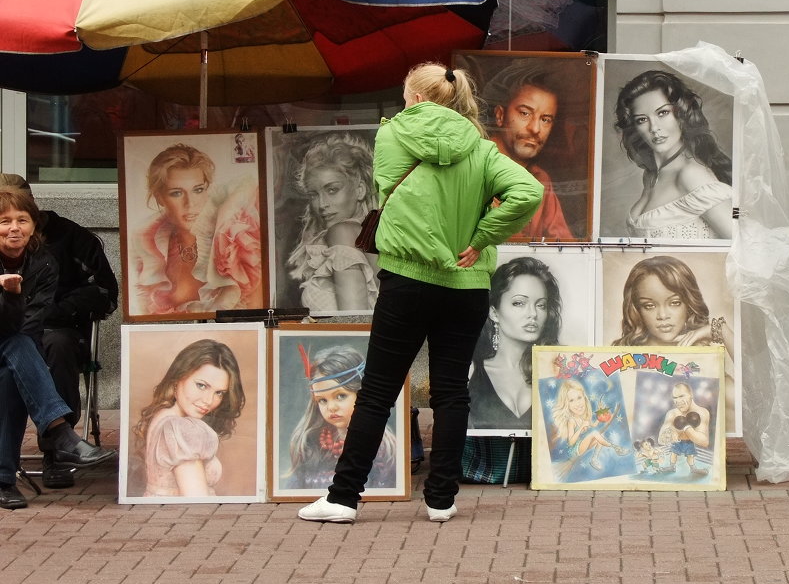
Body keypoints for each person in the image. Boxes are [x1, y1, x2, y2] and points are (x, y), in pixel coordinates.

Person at [298, 62, 542, 525]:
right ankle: (441, 499)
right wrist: (483, 237)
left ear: (412, 96)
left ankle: (344, 498)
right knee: (452, 391)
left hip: (407, 279)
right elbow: (527, 192)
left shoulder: (393, 137)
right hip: (466, 284)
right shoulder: (481, 148)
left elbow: (396, 190)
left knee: (377, 392)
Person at [0, 174, 119, 490]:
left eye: (21, 216)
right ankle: (60, 435)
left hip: (54, 328)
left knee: (52, 344)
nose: (14, 226)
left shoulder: (67, 242)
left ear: (33, 207)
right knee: (19, 349)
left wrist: (58, 310)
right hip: (11, 336)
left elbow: (105, 291)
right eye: (4, 217)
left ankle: (52, 453)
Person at [130, 143, 262, 316]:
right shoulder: (148, 243)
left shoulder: (236, 239)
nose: (190, 204)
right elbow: (144, 315)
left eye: (198, 190)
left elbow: (257, 313)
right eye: (176, 193)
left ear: (208, 189)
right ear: (160, 197)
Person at [613, 70, 734, 240]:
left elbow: (743, 249)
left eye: (662, 113)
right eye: (642, 119)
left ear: (681, 114)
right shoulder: (651, 175)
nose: (654, 128)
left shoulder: (691, 175)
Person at [132, 339, 246, 498]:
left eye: (219, 393)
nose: (208, 400)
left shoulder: (163, 416)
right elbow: (196, 502)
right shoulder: (181, 429)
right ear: (178, 378)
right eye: (201, 385)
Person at [284, 132, 379, 313]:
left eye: (332, 190)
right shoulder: (366, 234)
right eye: (314, 194)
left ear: (360, 190)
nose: (322, 205)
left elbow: (353, 320)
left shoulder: (342, 232)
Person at [468, 256, 563, 431]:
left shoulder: (558, 373)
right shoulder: (471, 372)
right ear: (494, 312)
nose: (532, 313)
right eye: (519, 303)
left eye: (541, 305)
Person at [284, 344, 397, 490]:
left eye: (340, 396)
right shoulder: (308, 448)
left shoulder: (386, 451)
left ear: (361, 392)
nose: (331, 407)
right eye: (322, 400)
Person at [486, 60, 574, 241]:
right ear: (500, 115)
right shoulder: (475, 165)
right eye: (525, 113)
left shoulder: (540, 178)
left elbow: (563, 243)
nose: (535, 129)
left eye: (545, 119)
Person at [611, 255, 731, 347]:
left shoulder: (702, 354)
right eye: (649, 306)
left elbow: (745, 376)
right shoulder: (622, 355)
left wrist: (721, 331)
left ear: (689, 305)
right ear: (636, 309)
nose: (662, 316)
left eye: (674, 303)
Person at [550, 378, 627, 473]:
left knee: (599, 436)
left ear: (584, 398)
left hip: (583, 444)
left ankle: (594, 459)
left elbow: (594, 425)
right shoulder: (571, 421)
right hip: (574, 450)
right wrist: (581, 427)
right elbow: (570, 442)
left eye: (579, 398)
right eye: (571, 400)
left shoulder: (584, 417)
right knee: (595, 434)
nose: (577, 403)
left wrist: (601, 414)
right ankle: (616, 447)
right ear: (567, 405)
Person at [656, 381, 712, 477]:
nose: (678, 401)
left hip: (688, 444)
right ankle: (672, 466)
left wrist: (686, 427)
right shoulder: (672, 413)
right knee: (673, 454)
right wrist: (672, 432)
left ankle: (693, 469)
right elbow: (660, 440)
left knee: (690, 456)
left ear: (691, 395)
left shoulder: (702, 412)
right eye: (675, 398)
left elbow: (704, 442)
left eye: (681, 396)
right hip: (677, 444)